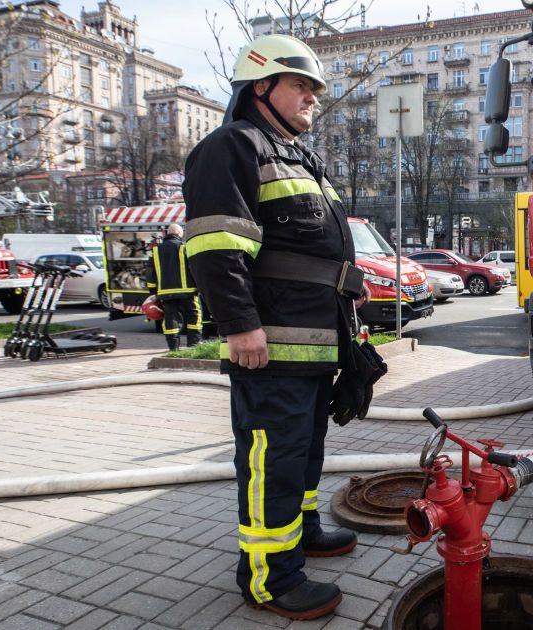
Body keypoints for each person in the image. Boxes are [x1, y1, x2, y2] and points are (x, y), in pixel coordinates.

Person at [183, 34, 365, 622]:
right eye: (300, 85)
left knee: (304, 454)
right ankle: (269, 577)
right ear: (260, 86)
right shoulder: (232, 147)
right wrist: (240, 326)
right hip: (271, 348)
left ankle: (302, 531)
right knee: (272, 461)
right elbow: (215, 246)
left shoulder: (297, 156)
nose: (312, 97)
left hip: (313, 347)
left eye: (314, 88)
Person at [145, 223, 202, 351]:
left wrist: (153, 292)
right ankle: (193, 345)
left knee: (170, 319)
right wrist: (199, 287)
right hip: (188, 292)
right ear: (179, 234)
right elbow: (195, 269)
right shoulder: (184, 248)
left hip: (165, 293)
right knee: (194, 316)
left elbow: (150, 273)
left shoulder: (155, 251)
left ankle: (173, 347)